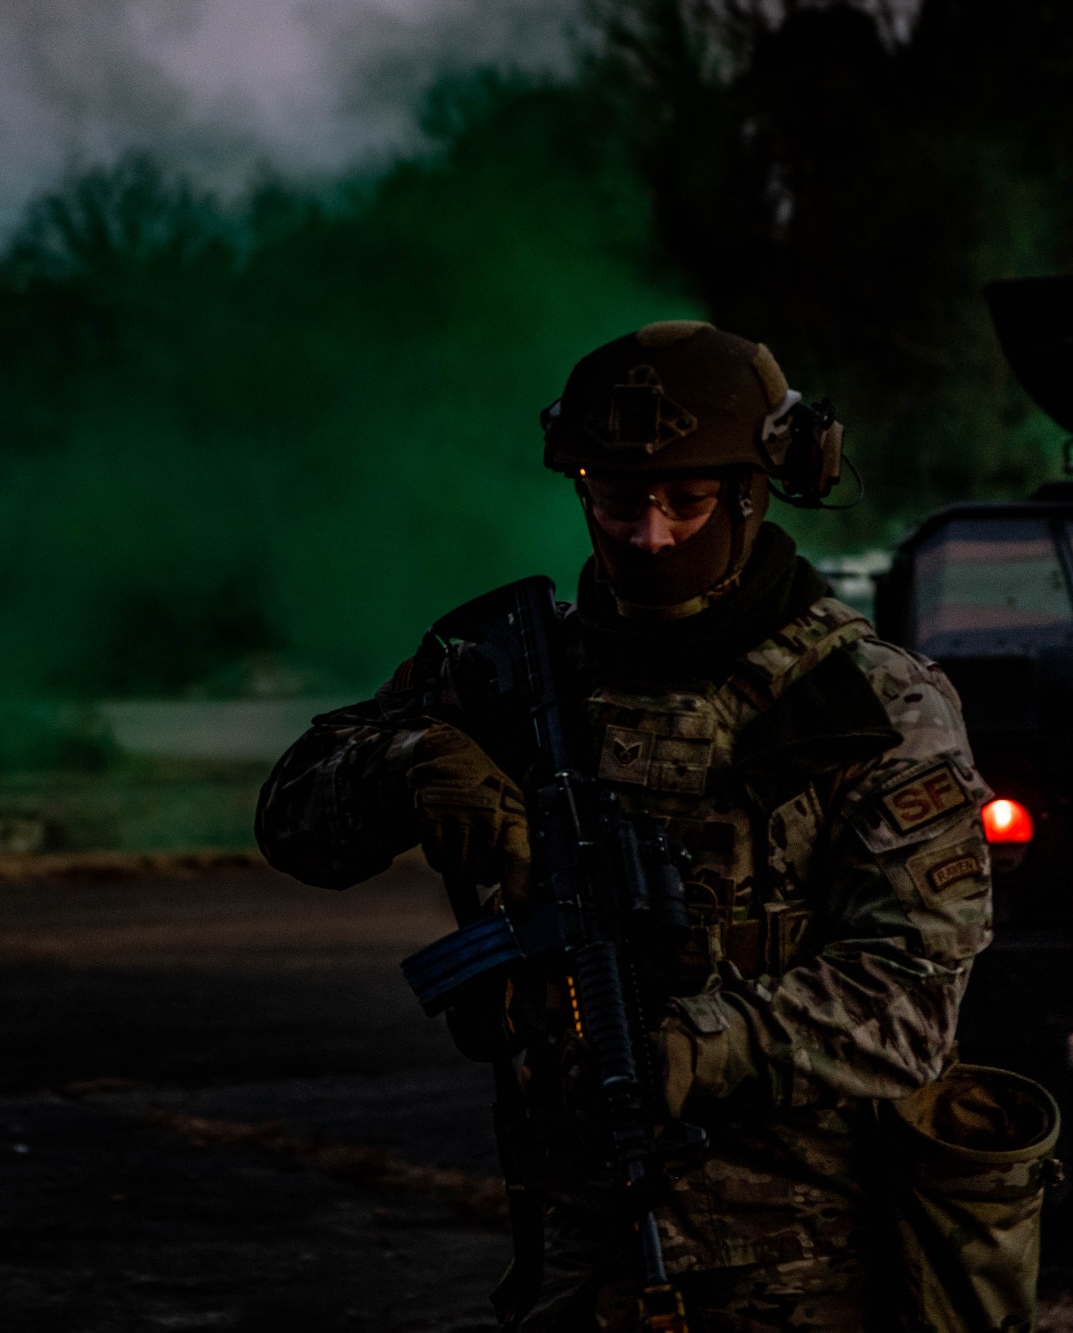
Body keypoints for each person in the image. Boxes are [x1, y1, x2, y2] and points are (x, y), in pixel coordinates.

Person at [256, 321, 995, 1330]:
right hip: (577, 1241)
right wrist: (408, 769)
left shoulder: (865, 705)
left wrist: (698, 1045)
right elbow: (292, 822)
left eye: (684, 502)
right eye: (614, 500)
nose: (647, 535)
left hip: (805, 1263)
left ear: (752, 490)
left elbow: (912, 996)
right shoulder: (512, 673)